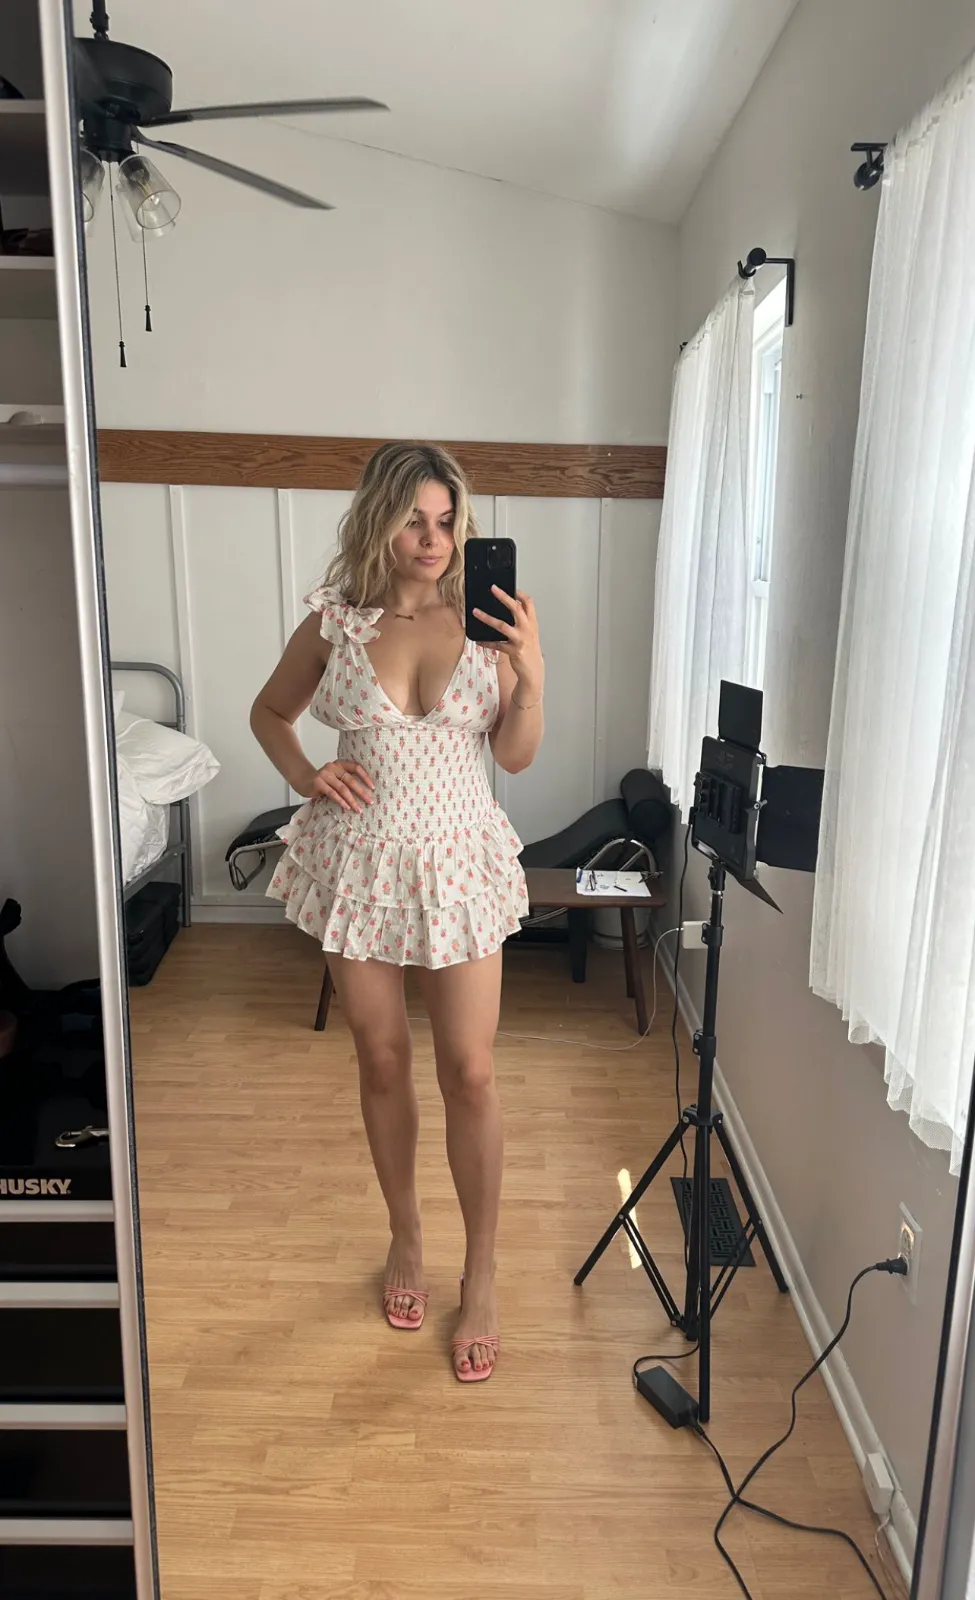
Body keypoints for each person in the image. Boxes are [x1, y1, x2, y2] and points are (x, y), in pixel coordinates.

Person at [250, 441, 544, 1383]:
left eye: (447, 520)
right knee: (379, 1057)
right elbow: (269, 713)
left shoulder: (489, 623)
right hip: (362, 863)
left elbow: (517, 755)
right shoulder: (336, 623)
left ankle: (481, 1273)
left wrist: (530, 675)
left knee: (470, 1071)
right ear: (380, 519)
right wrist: (307, 774)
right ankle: (406, 1235)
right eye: (414, 519)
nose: (433, 538)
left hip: (458, 863)